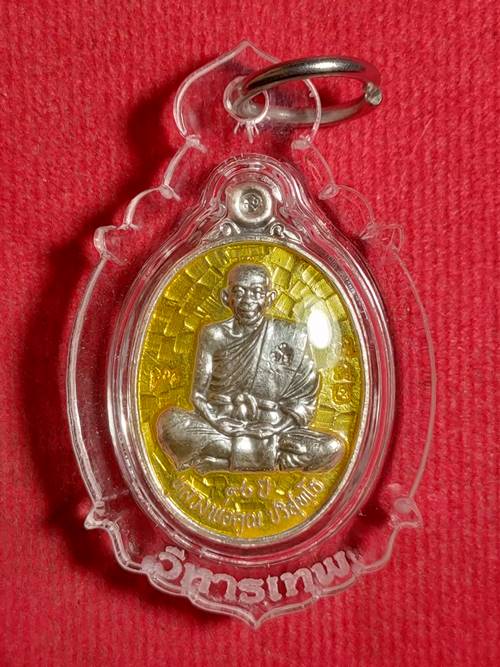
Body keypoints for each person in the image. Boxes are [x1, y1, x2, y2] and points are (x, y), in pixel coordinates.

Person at [156, 263, 345, 472]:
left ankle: (225, 458)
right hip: (223, 425)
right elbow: (198, 396)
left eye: (257, 292)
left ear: (269, 298)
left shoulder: (293, 336)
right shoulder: (213, 335)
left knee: (331, 448)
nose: (248, 300)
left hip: (274, 428)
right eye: (239, 292)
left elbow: (304, 402)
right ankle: (267, 459)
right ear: (226, 297)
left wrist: (274, 428)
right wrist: (218, 421)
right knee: (169, 424)